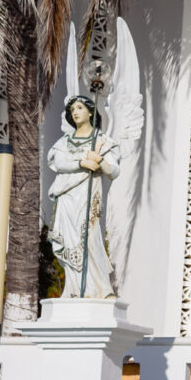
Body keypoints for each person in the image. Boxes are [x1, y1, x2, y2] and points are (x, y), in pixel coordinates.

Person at [47, 95, 121, 298]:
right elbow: (59, 162)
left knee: (89, 238)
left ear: (90, 112)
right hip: (66, 197)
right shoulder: (64, 141)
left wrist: (100, 161)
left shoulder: (102, 141)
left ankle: (102, 289)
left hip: (87, 197)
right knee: (68, 241)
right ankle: (72, 289)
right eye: (72, 110)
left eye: (79, 108)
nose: (75, 112)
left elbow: (114, 170)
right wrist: (82, 161)